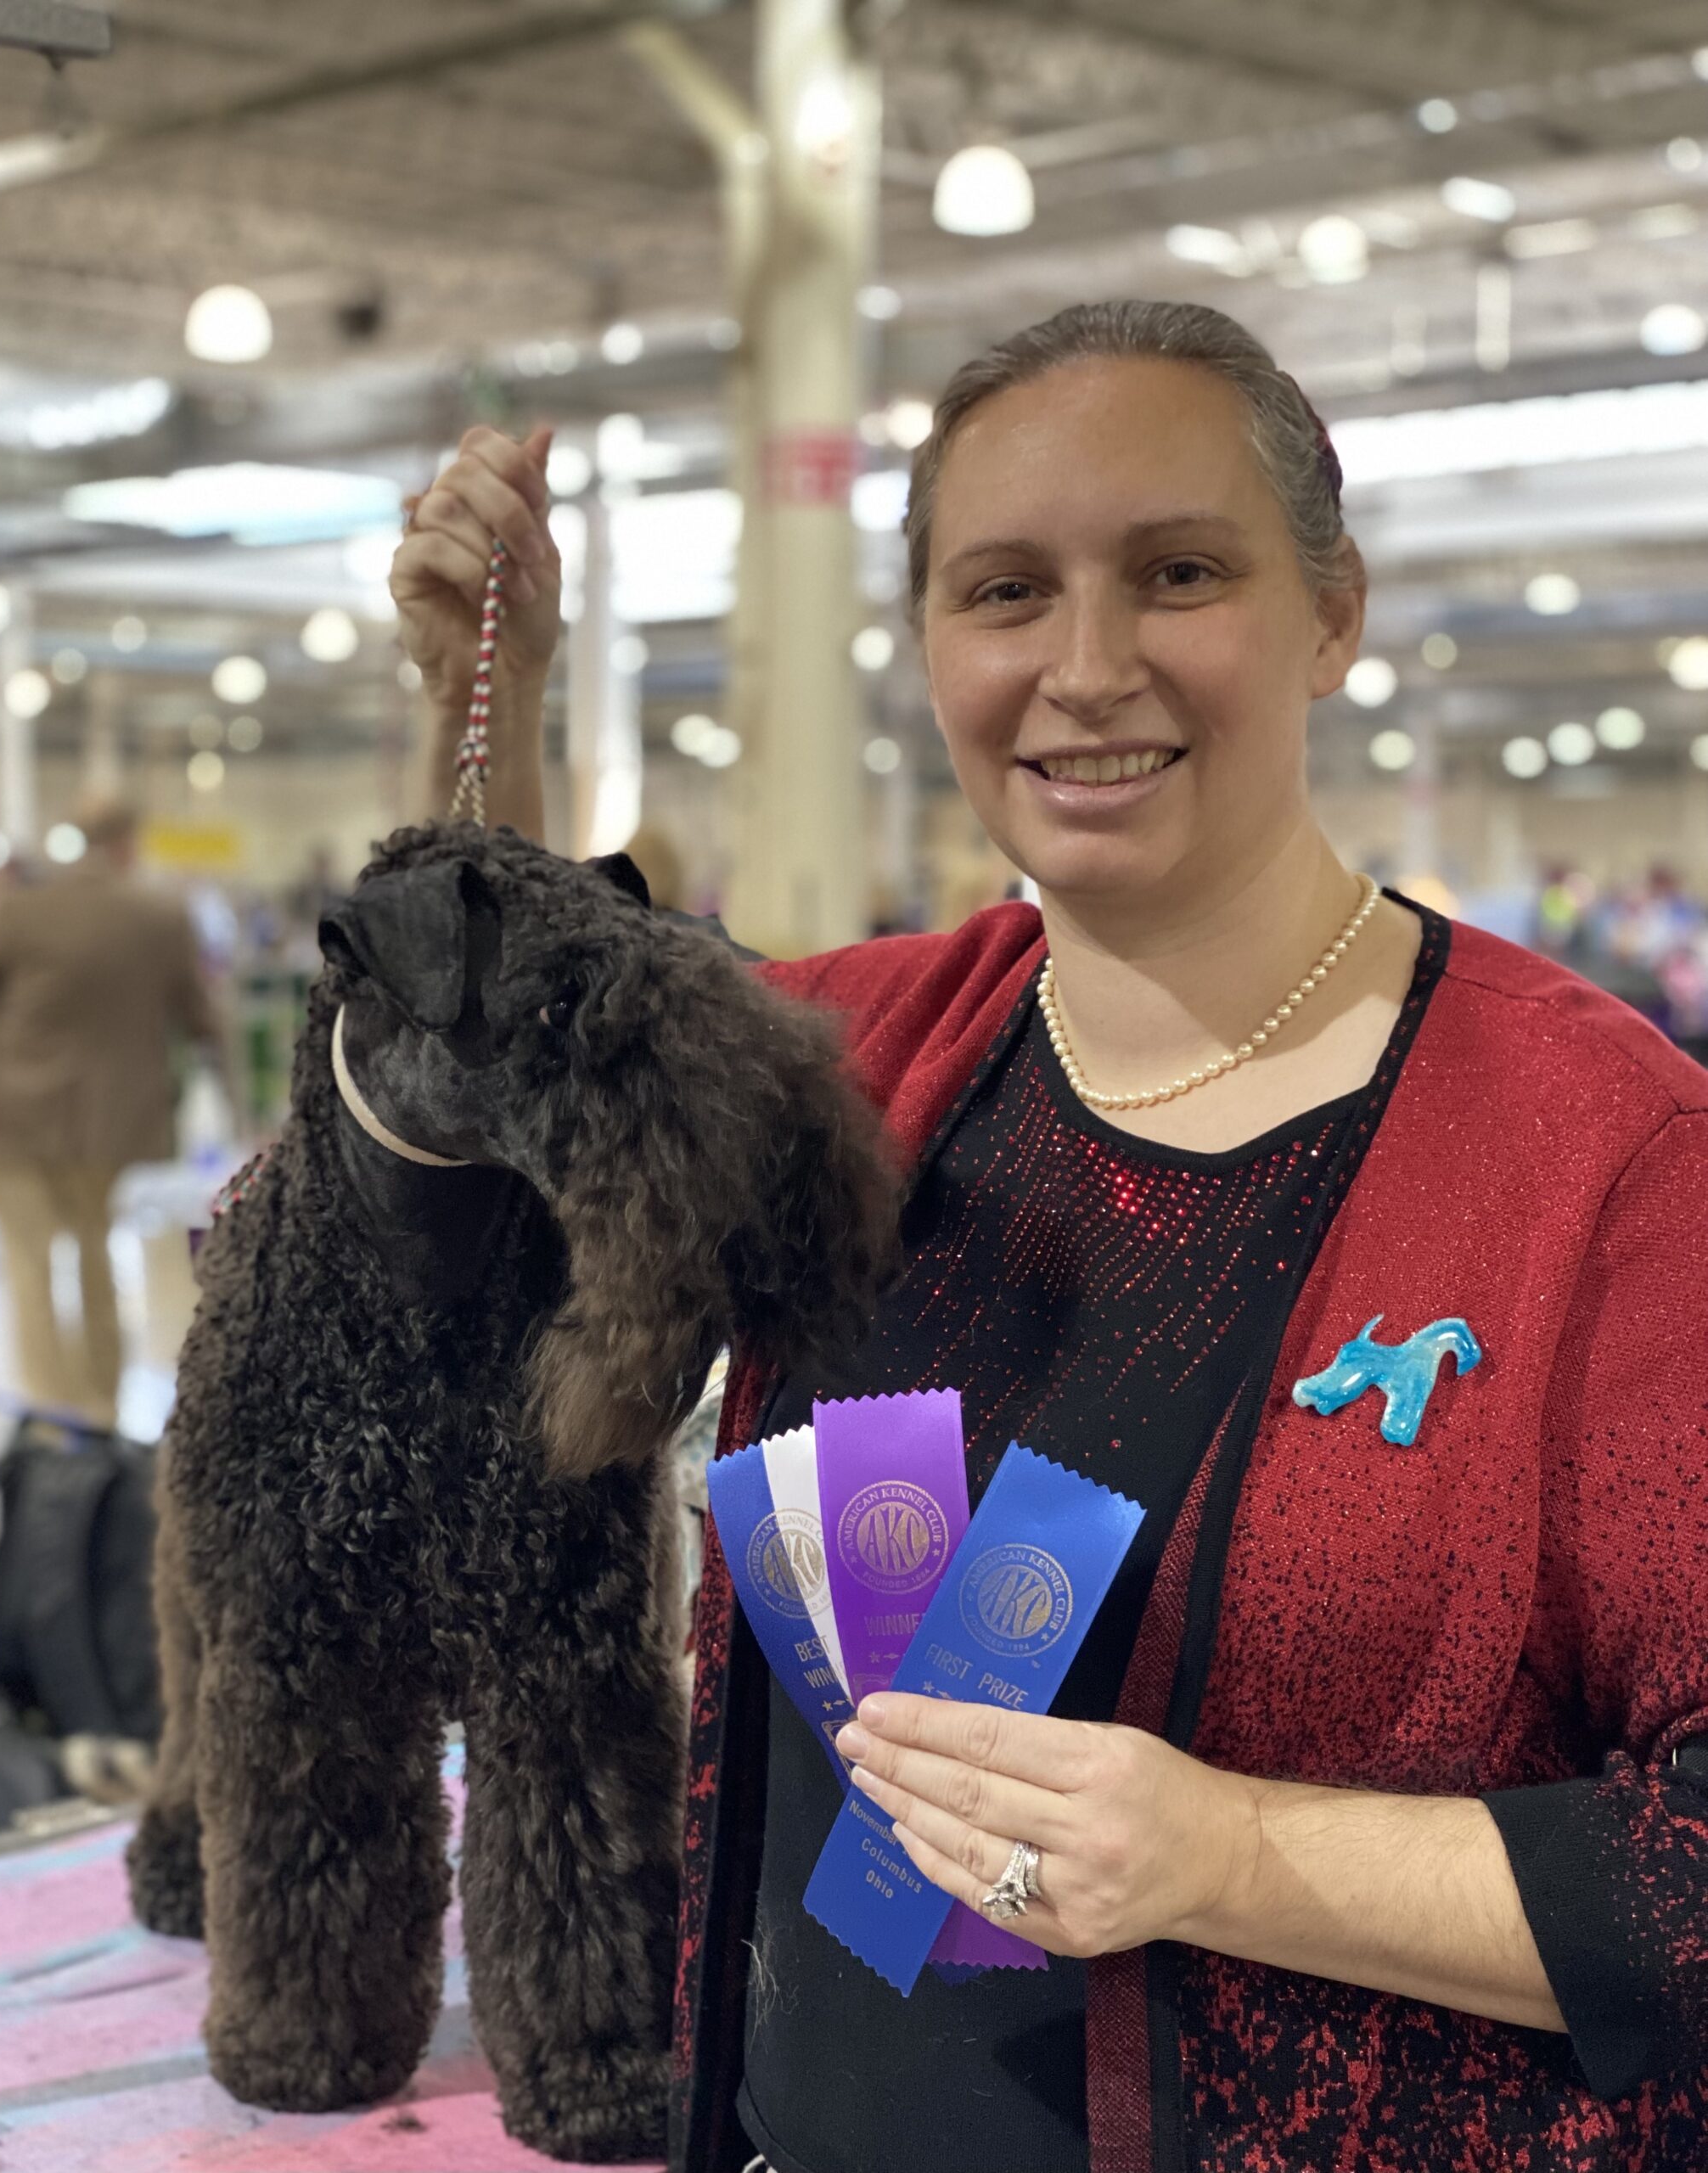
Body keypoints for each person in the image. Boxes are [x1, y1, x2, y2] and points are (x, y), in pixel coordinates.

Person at [390, 302, 1708, 2172]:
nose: (1086, 667)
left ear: (1329, 612)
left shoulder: (1607, 1162)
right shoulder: (852, 1055)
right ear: (930, 644)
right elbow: (515, 1058)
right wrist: (478, 701)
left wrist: (1225, 1852)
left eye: (1178, 572)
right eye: (1004, 592)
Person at [0, 795, 221, 1425]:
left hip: (18, 1116)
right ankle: (101, 1408)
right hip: (118, 1121)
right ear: (128, 841)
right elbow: (200, 1019)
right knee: (100, 1266)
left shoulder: (20, 913)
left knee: (29, 1271)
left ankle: (49, 1412)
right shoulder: (162, 916)